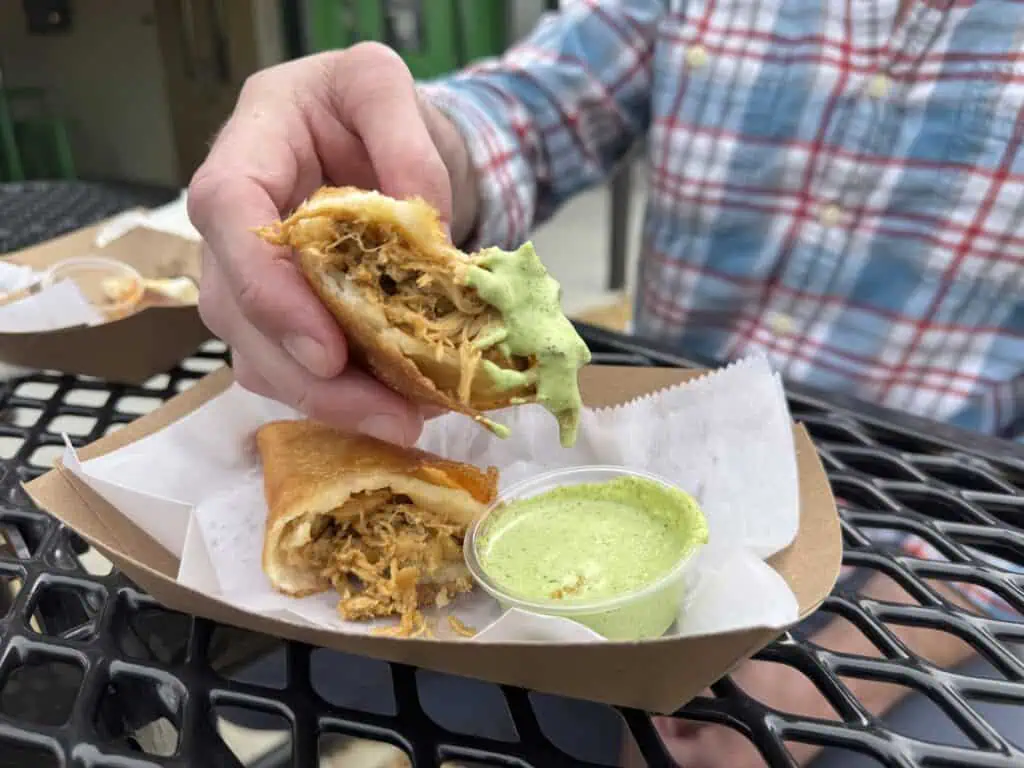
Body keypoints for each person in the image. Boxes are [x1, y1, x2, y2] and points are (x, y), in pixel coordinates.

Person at [187, 1, 1023, 765]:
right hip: (612, 473)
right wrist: (395, 146)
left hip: (928, 562)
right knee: (274, 691)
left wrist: (841, 673)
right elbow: (536, 106)